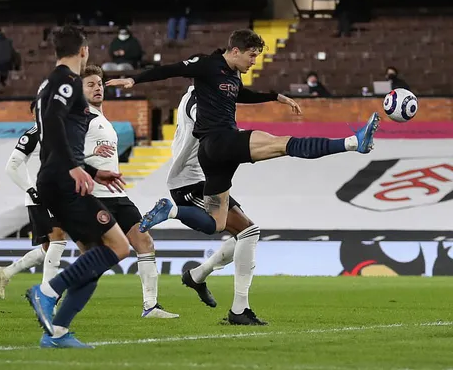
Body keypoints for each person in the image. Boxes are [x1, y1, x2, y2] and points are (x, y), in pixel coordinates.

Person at [107, 29, 379, 245]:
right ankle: (353, 142)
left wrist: (275, 97)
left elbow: (241, 94)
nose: (253, 61)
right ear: (234, 50)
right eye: (251, 55)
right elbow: (170, 69)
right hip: (221, 141)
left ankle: (172, 211)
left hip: (212, 156)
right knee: (282, 144)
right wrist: (133, 81)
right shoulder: (207, 64)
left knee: (216, 224)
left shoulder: (233, 75)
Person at [24, 25, 130, 349]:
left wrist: (92, 171)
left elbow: (60, 131)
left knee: (94, 260)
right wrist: (73, 167)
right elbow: (54, 123)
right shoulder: (67, 81)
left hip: (60, 175)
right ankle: (46, 291)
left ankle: (56, 333)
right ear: (83, 50)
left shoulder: (50, 83)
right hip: (61, 178)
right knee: (119, 247)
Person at [164, 85, 267, 325]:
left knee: (247, 233)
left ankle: (197, 275)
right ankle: (239, 310)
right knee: (248, 232)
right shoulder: (199, 102)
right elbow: (215, 131)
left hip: (203, 179)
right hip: (190, 183)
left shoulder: (197, 97)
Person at [81, 64, 178, 318]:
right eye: (90, 84)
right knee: (94, 257)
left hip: (117, 195)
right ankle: (52, 295)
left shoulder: (102, 119)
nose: (97, 88)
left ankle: (151, 306)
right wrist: (92, 154)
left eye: (99, 83)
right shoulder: (80, 118)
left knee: (143, 241)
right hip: (94, 196)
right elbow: (65, 156)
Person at [0, 108, 68, 299]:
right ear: (33, 114)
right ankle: (47, 293)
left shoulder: (61, 132)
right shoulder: (32, 136)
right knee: (58, 238)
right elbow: (11, 167)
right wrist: (31, 189)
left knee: (48, 248)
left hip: (59, 196)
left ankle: (8, 272)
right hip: (40, 197)